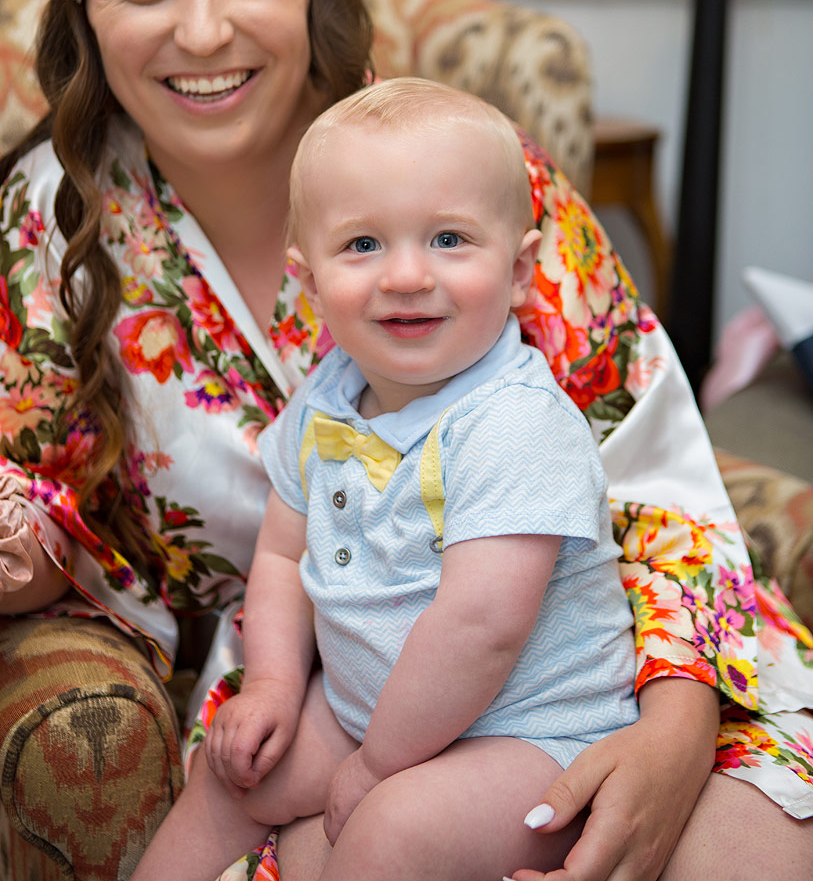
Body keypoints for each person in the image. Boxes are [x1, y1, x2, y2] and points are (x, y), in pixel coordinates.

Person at [0, 0, 810, 881]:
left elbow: (648, 471)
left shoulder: (459, 169)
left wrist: (671, 727)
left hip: (611, 659)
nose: (203, 29)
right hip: (321, 701)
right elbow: (43, 501)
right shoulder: (48, 221)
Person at [129, 77, 641, 881]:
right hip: (367, 711)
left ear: (518, 270)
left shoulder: (514, 422)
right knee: (233, 778)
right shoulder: (324, 400)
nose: (405, 275)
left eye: (448, 240)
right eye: (362, 245)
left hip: (530, 733)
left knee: (389, 833)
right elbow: (278, 559)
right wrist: (268, 684)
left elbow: (481, 628)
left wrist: (375, 771)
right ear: (309, 280)